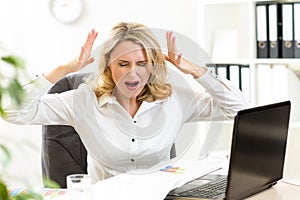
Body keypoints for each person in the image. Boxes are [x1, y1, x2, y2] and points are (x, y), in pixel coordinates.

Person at [3, 22, 249, 183]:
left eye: (142, 64)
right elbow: (13, 111)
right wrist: (66, 68)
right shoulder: (83, 100)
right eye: (123, 64)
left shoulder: (175, 99)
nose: (134, 73)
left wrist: (196, 70)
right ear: (109, 65)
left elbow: (240, 109)